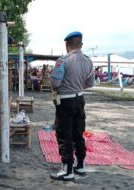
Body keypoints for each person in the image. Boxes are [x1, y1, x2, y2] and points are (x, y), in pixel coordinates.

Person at [49, 31, 94, 181]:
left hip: (65, 101)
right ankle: (80, 165)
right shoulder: (88, 61)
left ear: (67, 44)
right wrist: (77, 87)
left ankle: (67, 170)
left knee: (64, 135)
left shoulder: (63, 61)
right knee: (78, 133)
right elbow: (91, 83)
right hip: (80, 99)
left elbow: (55, 82)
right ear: (81, 44)